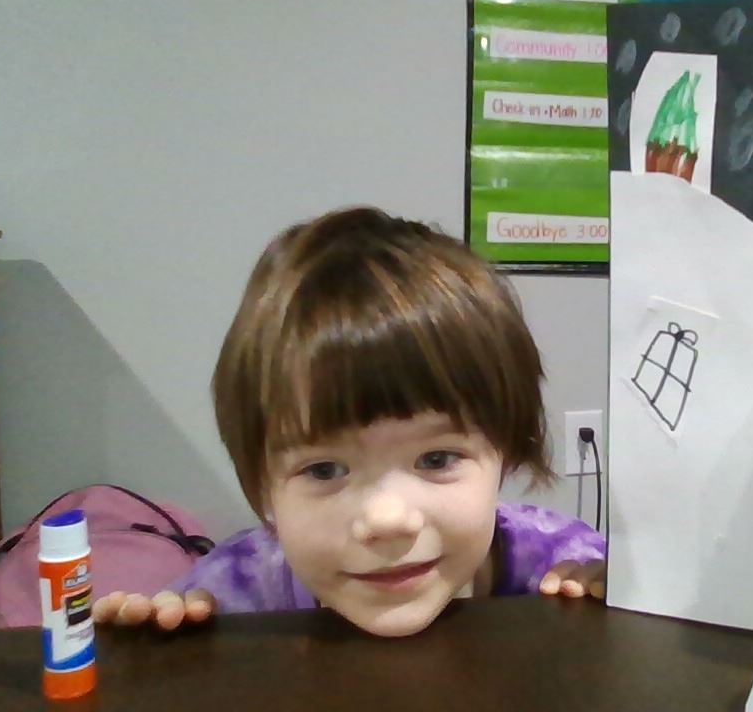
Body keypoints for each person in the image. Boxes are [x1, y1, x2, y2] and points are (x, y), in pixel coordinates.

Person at [92, 207, 606, 638]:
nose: (387, 519)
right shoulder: (238, 591)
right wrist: (162, 647)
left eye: (436, 459)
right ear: (264, 483)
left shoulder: (560, 561)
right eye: (324, 470)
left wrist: (614, 594)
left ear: (506, 452)